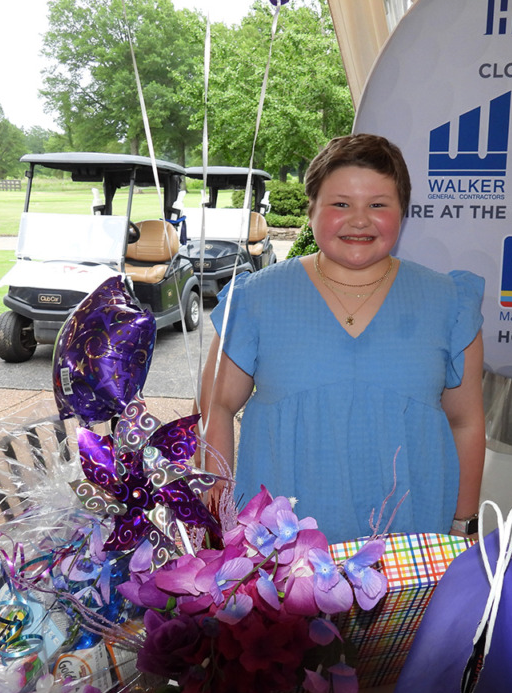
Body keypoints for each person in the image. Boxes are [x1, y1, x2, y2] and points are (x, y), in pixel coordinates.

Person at [198, 133, 485, 541]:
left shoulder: (449, 301)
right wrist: (218, 520)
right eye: (340, 204)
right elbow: (216, 409)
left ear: (403, 211)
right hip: (281, 549)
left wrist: (463, 523)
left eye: (378, 205)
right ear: (311, 208)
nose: (360, 220)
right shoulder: (255, 298)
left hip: (412, 538)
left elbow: (466, 422)